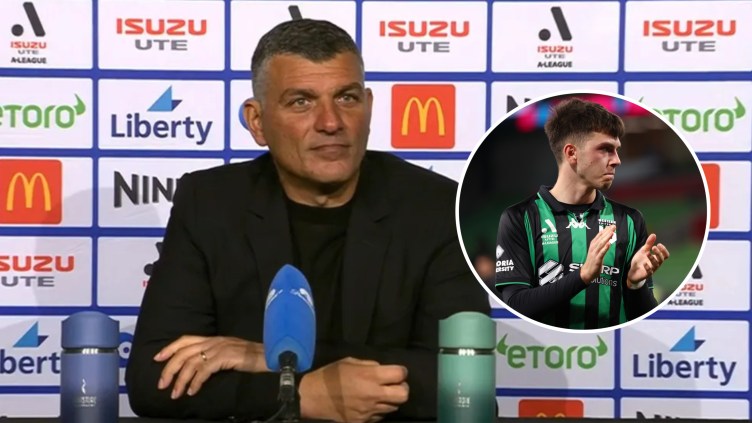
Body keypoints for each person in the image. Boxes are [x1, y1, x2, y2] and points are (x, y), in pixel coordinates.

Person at [125, 18, 489, 422]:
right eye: (301, 102)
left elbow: (465, 385)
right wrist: (300, 394)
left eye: (347, 98)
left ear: (368, 107)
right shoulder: (209, 203)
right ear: (257, 122)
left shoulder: (437, 207)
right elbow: (153, 379)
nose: (331, 122)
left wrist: (268, 358)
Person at [493, 98, 669, 329]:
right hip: (546, 350)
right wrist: (583, 276)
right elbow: (515, 306)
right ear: (571, 153)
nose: (617, 160)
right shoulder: (520, 218)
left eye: (616, 150)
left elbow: (643, 320)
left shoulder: (629, 220)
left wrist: (636, 285)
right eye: (605, 149)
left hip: (613, 350)